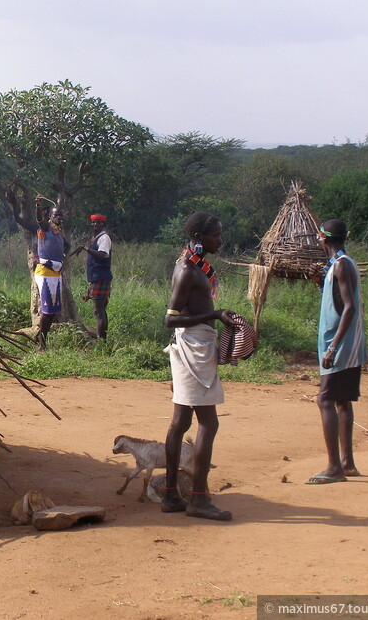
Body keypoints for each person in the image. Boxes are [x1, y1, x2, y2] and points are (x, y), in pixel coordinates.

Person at [162, 212, 234, 521]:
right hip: (193, 348)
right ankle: (199, 499)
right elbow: (170, 318)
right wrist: (215, 316)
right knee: (208, 423)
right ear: (199, 238)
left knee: (180, 423)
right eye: (215, 235)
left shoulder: (196, 266)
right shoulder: (187, 270)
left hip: (196, 345)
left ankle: (170, 495)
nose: (220, 240)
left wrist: (215, 317)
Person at [305, 219, 368, 485]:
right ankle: (347, 463)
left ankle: (334, 467)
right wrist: (320, 282)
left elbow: (349, 307)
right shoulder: (338, 264)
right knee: (341, 401)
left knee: (325, 400)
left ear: (323, 238)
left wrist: (333, 347)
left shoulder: (342, 265)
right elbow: (338, 301)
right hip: (344, 343)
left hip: (341, 345)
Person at [33, 197, 70, 350]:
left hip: (55, 273)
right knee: (47, 311)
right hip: (45, 273)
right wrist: (38, 206)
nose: (59, 218)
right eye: (56, 215)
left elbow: (67, 246)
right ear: (50, 216)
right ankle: (42, 344)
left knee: (53, 311)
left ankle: (38, 338)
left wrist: (63, 257)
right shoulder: (46, 228)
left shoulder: (58, 232)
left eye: (61, 215)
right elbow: (39, 219)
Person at [71, 213, 112, 341]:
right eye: (93, 222)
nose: (95, 225)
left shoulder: (104, 238)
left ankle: (101, 342)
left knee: (98, 310)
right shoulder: (96, 238)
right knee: (100, 310)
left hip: (101, 277)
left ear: (103, 224)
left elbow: (102, 254)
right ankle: (102, 340)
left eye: (98, 223)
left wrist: (85, 248)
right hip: (97, 277)